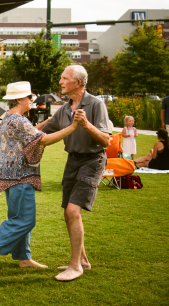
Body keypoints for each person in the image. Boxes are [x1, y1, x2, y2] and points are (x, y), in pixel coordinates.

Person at [0, 81, 79, 272]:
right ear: (20, 99)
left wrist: (46, 123)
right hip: (21, 175)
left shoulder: (8, 118)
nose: (32, 100)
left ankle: (23, 257)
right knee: (26, 220)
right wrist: (73, 127)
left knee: (19, 216)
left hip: (9, 176)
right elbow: (42, 139)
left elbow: (31, 133)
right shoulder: (20, 120)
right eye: (29, 97)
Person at [38, 65, 111, 282]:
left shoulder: (96, 104)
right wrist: (19, 128)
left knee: (72, 211)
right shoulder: (64, 108)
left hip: (92, 161)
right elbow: (45, 128)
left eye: (64, 78)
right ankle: (84, 261)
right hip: (72, 161)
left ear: (77, 83)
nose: (60, 82)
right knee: (67, 212)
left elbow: (106, 140)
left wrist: (86, 124)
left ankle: (75, 266)